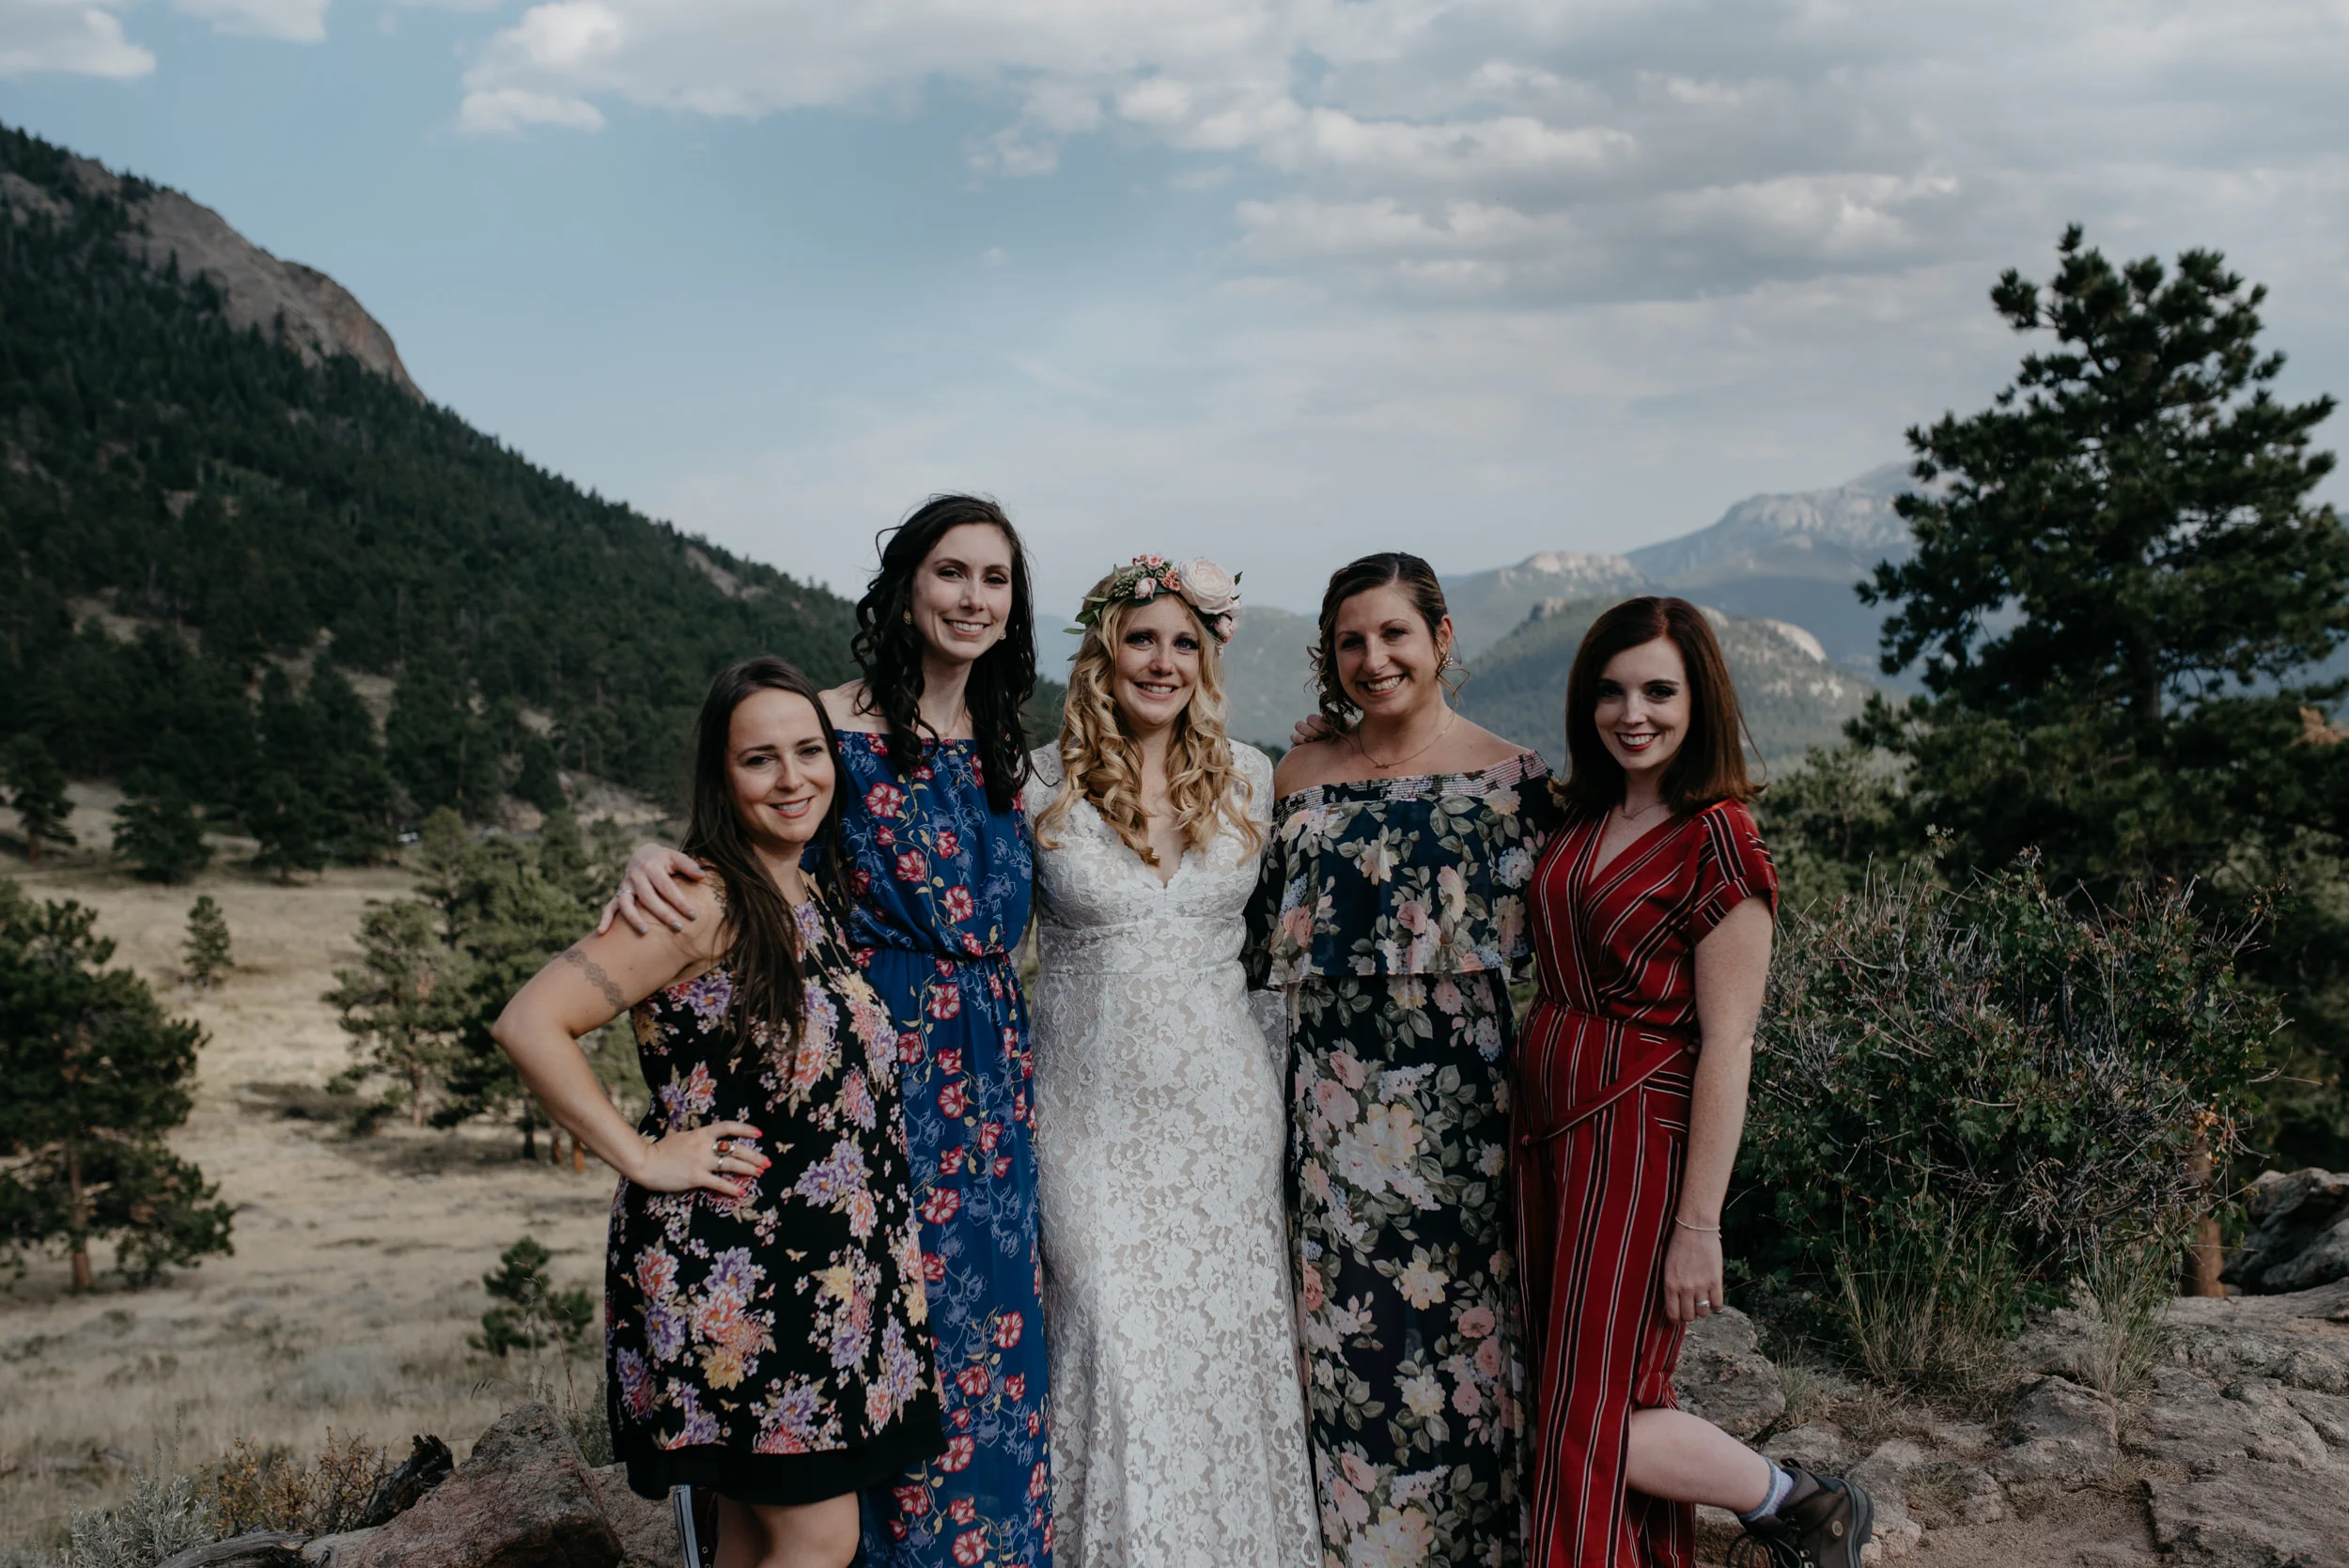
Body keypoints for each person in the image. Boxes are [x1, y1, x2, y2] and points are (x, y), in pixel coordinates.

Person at [603, 497, 1053, 1568]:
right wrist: (648, 855)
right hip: (866, 1081)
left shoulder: (1010, 748)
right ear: (905, 587)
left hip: (994, 1086)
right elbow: (750, 822)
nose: (972, 598)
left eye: (994, 579)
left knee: (988, 1355)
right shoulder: (830, 725)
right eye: (950, 572)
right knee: (848, 1359)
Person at [492, 657, 940, 1568]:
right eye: (758, 758)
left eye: (808, 750)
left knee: (749, 1535)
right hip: (736, 1273)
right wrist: (642, 1154)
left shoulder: (806, 890)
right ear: (720, 775)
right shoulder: (698, 901)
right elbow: (530, 1022)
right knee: (820, 1535)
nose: (792, 777)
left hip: (816, 1279)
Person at [1513, 596, 1871, 1568]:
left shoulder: (1719, 839)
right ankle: (1799, 1505)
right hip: (1547, 1133)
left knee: (1589, 1412)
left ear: (1698, 699)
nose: (1633, 714)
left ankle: (1801, 1500)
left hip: (1634, 1141)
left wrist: (1698, 1225)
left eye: (1658, 692)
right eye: (1611, 691)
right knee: (1568, 1395)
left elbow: (1730, 1043)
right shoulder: (1585, 811)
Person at [1248, 552, 1561, 1568]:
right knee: (1349, 1339)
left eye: (1393, 634)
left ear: (1441, 637)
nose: (1373, 657)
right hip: (1330, 1113)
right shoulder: (1297, 776)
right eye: (1351, 641)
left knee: (1466, 1341)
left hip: (1464, 1116)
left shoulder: (1513, 779)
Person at [1026, 556, 1318, 1568]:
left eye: (1183, 641)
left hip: (1223, 1119)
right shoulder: (1034, 780)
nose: (1162, 660)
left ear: (1208, 656)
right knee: (1109, 1338)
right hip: (1085, 1120)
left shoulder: (1252, 774)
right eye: (1141, 639)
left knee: (1221, 1356)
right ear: (1102, 653)